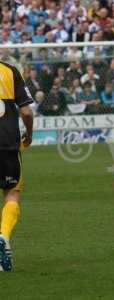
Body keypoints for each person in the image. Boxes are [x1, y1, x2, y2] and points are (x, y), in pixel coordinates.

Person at [0, 61, 34, 271]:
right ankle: (3, 235)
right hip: (7, 143)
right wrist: (29, 134)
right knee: (12, 193)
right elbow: (27, 112)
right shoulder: (10, 70)